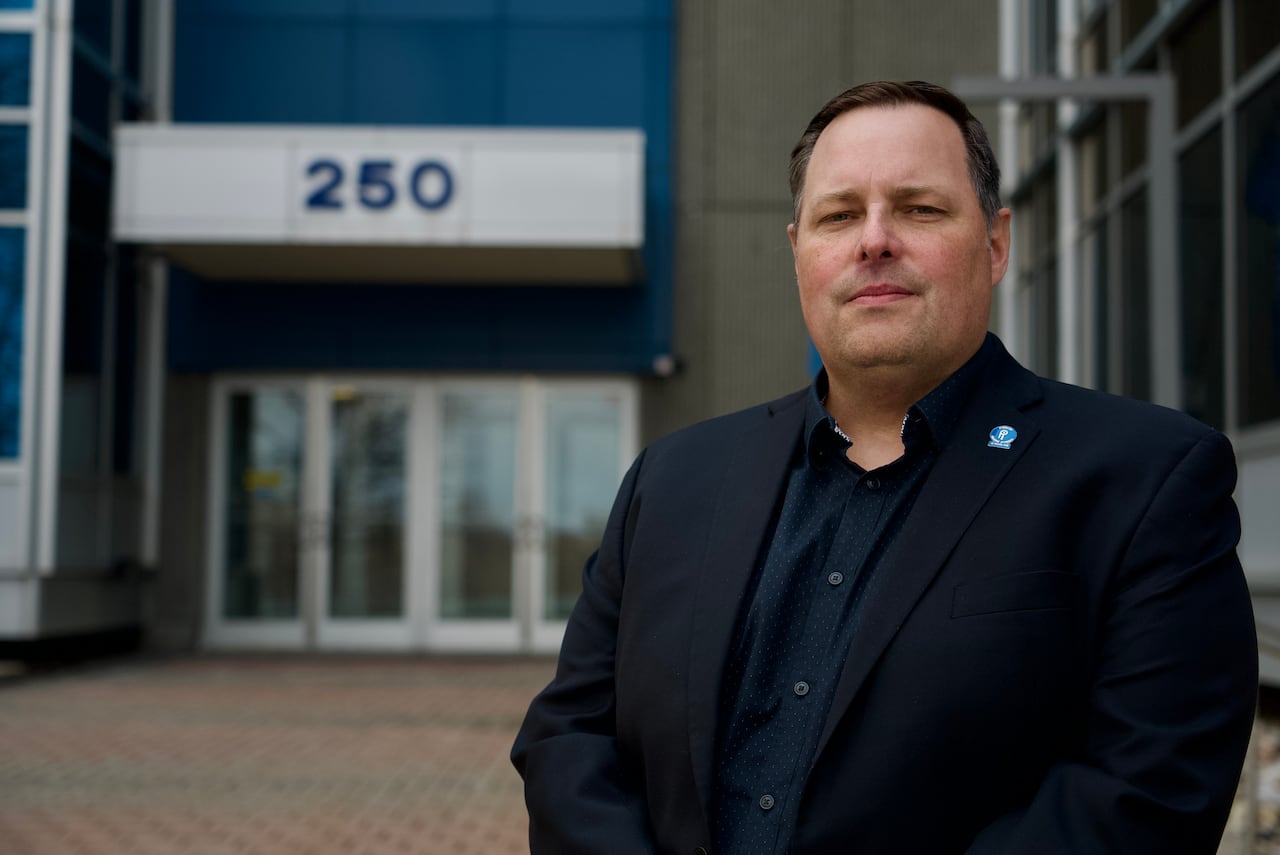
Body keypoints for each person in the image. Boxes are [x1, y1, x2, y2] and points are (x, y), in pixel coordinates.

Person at [511, 80, 1258, 854]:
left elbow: (1144, 795)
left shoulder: (1145, 479)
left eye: (919, 209)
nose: (874, 240)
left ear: (996, 243)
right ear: (799, 249)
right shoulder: (671, 480)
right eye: (839, 215)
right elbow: (569, 736)